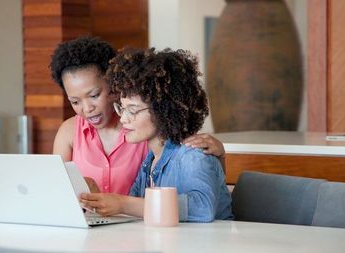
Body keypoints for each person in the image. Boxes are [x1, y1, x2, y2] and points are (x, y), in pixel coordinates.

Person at [50, 36, 226, 195]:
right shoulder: (69, 132)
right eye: (75, 101)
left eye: (94, 95)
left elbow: (200, 188)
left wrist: (219, 156)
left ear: (113, 85)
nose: (87, 108)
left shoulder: (146, 128)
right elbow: (57, 193)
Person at [79, 48, 233, 222]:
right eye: (121, 108)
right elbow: (136, 212)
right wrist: (96, 197)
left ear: (162, 111)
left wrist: (123, 203)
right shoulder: (150, 160)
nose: (123, 118)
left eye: (133, 110)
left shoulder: (193, 154)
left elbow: (203, 208)